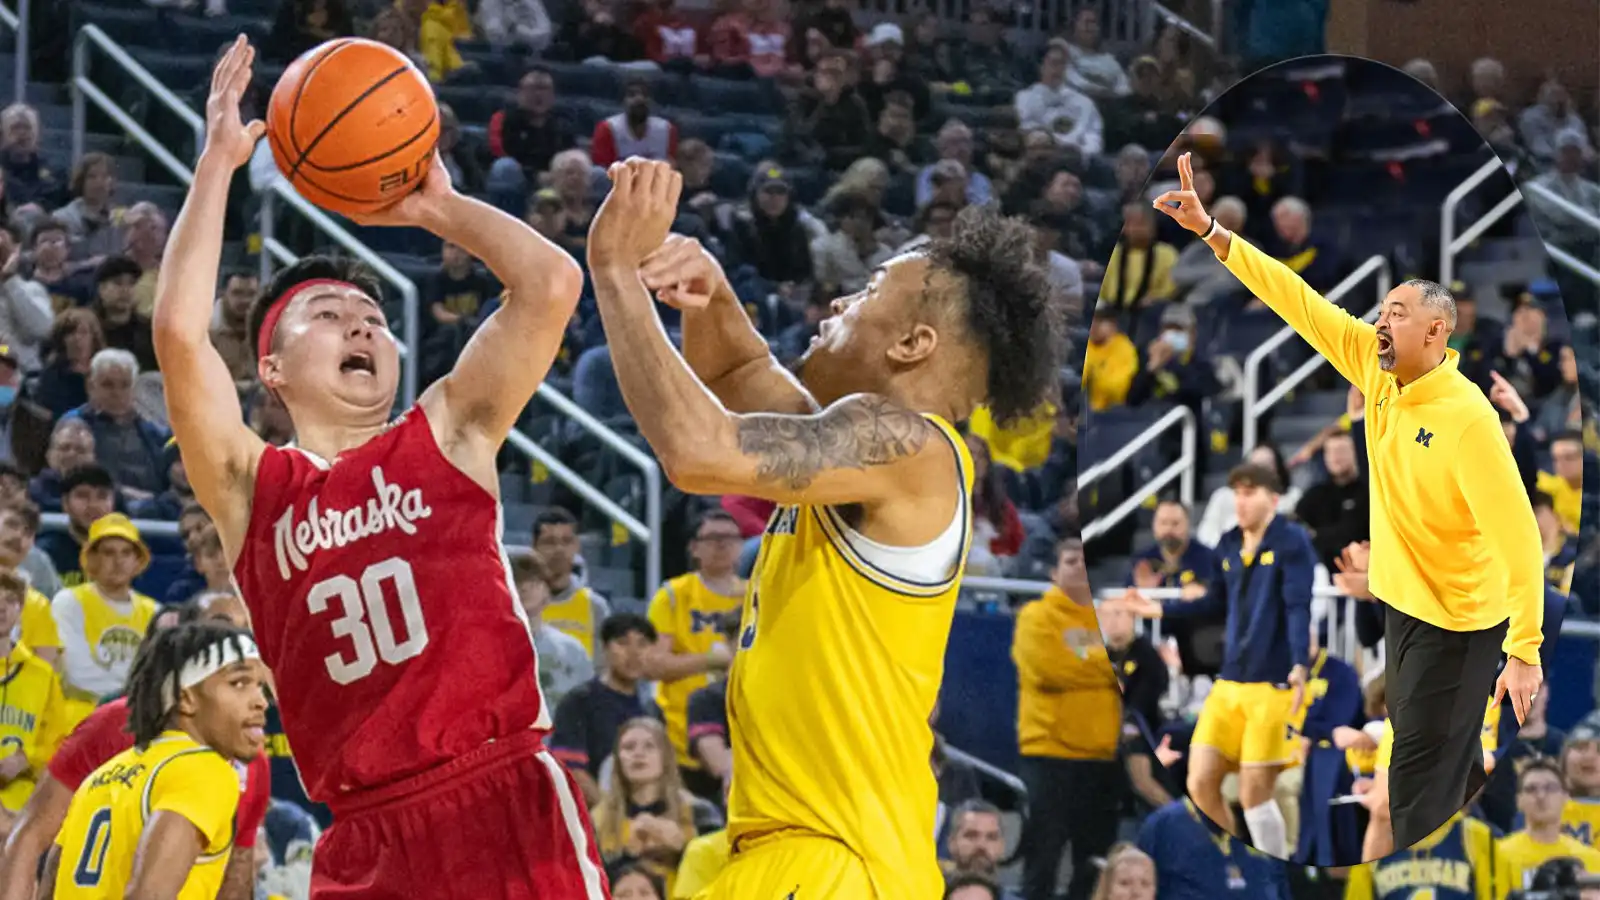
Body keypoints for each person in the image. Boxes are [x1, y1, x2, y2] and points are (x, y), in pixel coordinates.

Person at [151, 38, 600, 898]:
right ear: (272, 370)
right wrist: (216, 166)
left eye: (372, 316)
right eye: (329, 314)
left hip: (499, 795)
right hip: (365, 836)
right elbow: (178, 337)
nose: (362, 327)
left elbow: (548, 284)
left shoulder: (448, 432)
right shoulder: (254, 489)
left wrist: (441, 210)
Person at [585, 158, 1065, 898]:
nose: (839, 298)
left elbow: (698, 449)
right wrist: (708, 291)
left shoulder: (909, 444)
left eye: (869, 292)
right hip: (812, 856)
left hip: (834, 863)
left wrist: (614, 271)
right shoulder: (870, 455)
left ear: (913, 344)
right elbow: (743, 373)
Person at [1154, 150, 1544, 852]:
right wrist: (1215, 232)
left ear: (1437, 331)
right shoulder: (1374, 361)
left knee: (1415, 792)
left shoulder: (1470, 418)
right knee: (1435, 784)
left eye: (1397, 312)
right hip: (1405, 611)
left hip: (1459, 626)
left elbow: (1520, 538)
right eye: (1381, 310)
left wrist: (1524, 647)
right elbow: (1296, 300)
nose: (1381, 321)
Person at [0, 602, 272, 900]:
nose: (261, 701)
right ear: (187, 699)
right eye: (239, 683)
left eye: (260, 686)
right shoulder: (204, 769)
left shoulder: (102, 777)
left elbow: (53, 877)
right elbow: (149, 895)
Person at [1113, 462, 1313, 859]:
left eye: (1250, 492)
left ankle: (1271, 871)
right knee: (1201, 782)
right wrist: (1158, 611)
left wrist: (1298, 665)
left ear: (1273, 499)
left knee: (1256, 794)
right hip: (1229, 681)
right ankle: (1234, 862)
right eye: (1236, 492)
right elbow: (1214, 602)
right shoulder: (1226, 542)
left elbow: (1297, 607)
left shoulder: (1292, 542)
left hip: (1271, 684)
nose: (1241, 501)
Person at [642, 510, 741, 800]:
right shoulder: (674, 594)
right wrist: (713, 661)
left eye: (730, 538)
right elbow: (651, 664)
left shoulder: (758, 593)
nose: (721, 544)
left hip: (741, 724)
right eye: (712, 538)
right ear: (693, 547)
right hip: (678, 732)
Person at [0, 571, 67, 835]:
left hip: (23, 806)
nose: (1, 608)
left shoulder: (42, 674)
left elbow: (59, 742)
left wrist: (27, 759)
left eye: (10, 600)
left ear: (21, 609)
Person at [1496, 758, 1600, 894]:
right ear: (1518, 800)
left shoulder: (1591, 859)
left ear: (1565, 797)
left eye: (1550, 788)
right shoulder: (1499, 854)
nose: (1541, 796)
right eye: (1531, 789)